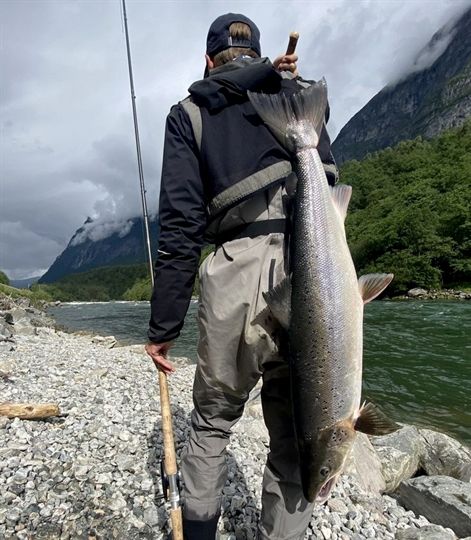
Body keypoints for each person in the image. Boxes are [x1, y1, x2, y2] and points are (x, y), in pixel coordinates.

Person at [146, 13, 338, 540]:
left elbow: (182, 226)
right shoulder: (297, 96)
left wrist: (164, 326)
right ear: (259, 55)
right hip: (316, 258)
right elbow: (328, 173)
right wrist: (283, 83)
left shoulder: (189, 113)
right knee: (298, 430)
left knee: (211, 422)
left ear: (208, 62)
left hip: (238, 268)